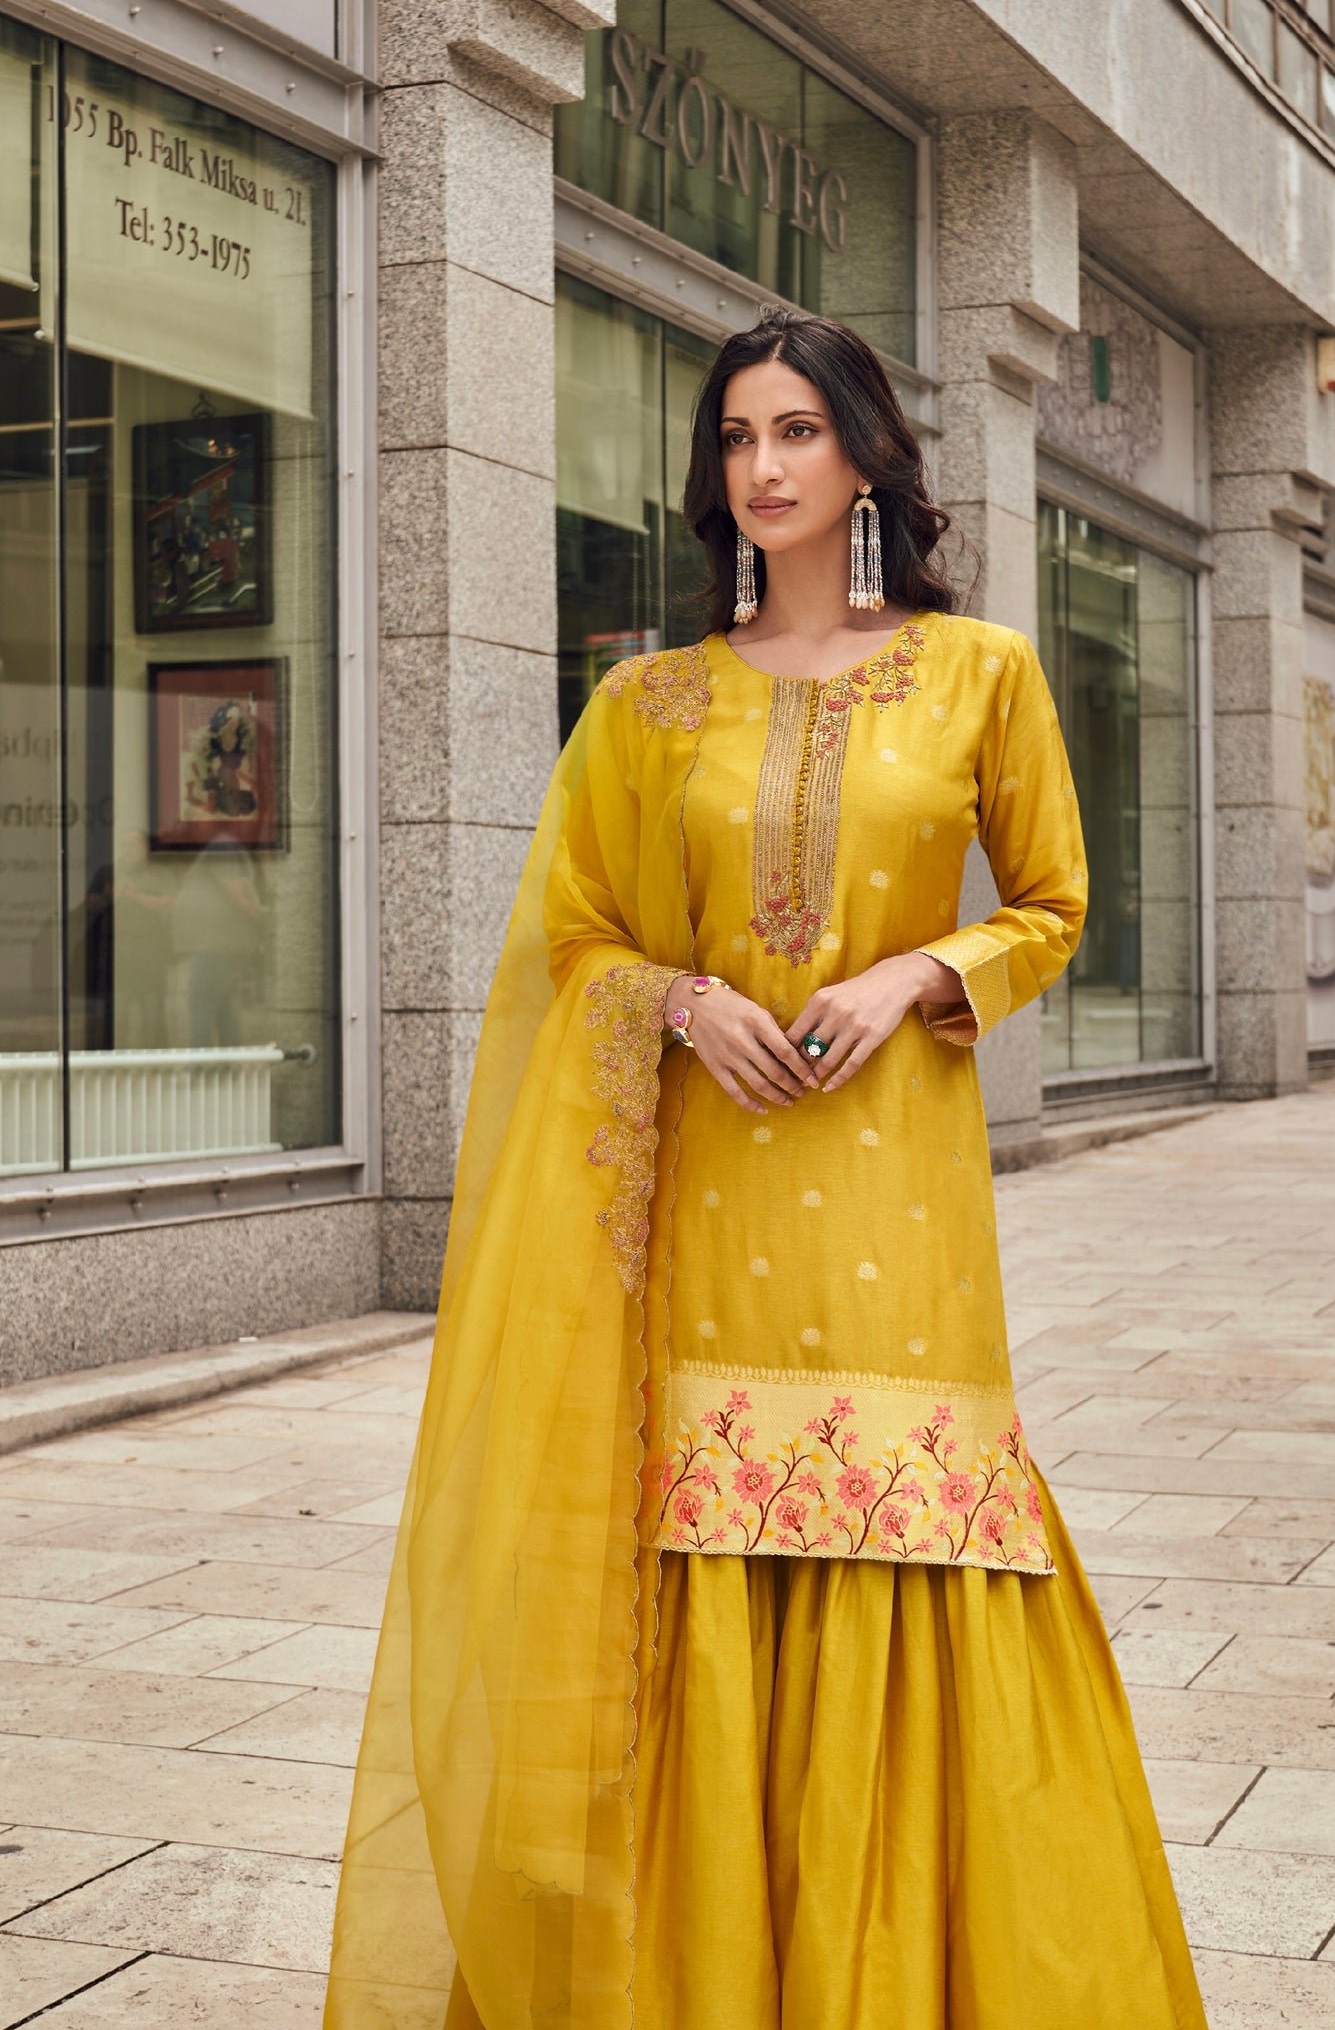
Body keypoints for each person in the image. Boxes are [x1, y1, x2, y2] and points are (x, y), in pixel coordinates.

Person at [323, 311, 1206, 2030]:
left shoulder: (981, 675)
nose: (766, 469)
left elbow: (1055, 903)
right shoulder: (650, 707)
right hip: (712, 1200)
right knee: (709, 1537)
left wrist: (916, 975)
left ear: (866, 455)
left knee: (916, 1539)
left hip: (900, 1201)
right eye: (737, 440)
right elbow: (571, 935)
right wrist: (680, 999)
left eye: (798, 431)